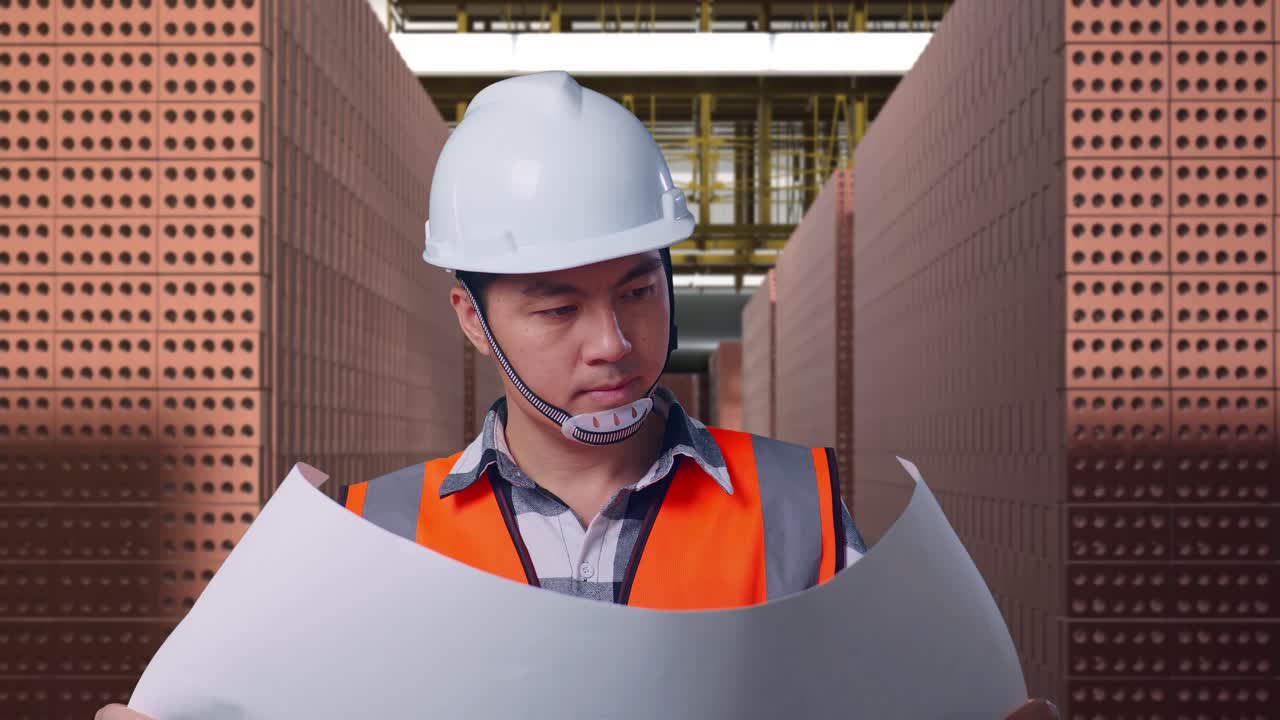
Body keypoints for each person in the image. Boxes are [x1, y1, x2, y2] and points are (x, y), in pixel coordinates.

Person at [97, 71, 1057, 719]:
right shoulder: (374, 534)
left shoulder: (797, 507)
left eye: (639, 290)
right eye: (558, 309)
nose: (616, 344)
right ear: (473, 319)